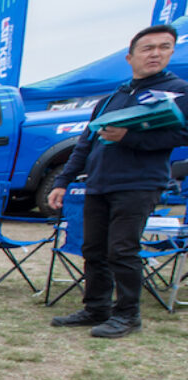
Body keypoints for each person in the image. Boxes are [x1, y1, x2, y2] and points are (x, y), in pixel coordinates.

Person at [48, 24, 188, 339]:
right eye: (148, 48)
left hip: (139, 183)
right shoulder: (115, 95)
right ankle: (96, 308)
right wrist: (63, 180)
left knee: (123, 249)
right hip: (99, 182)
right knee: (93, 248)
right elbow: (86, 142)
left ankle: (127, 316)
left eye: (163, 47)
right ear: (130, 56)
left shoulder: (177, 90)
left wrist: (131, 137)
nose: (155, 53)